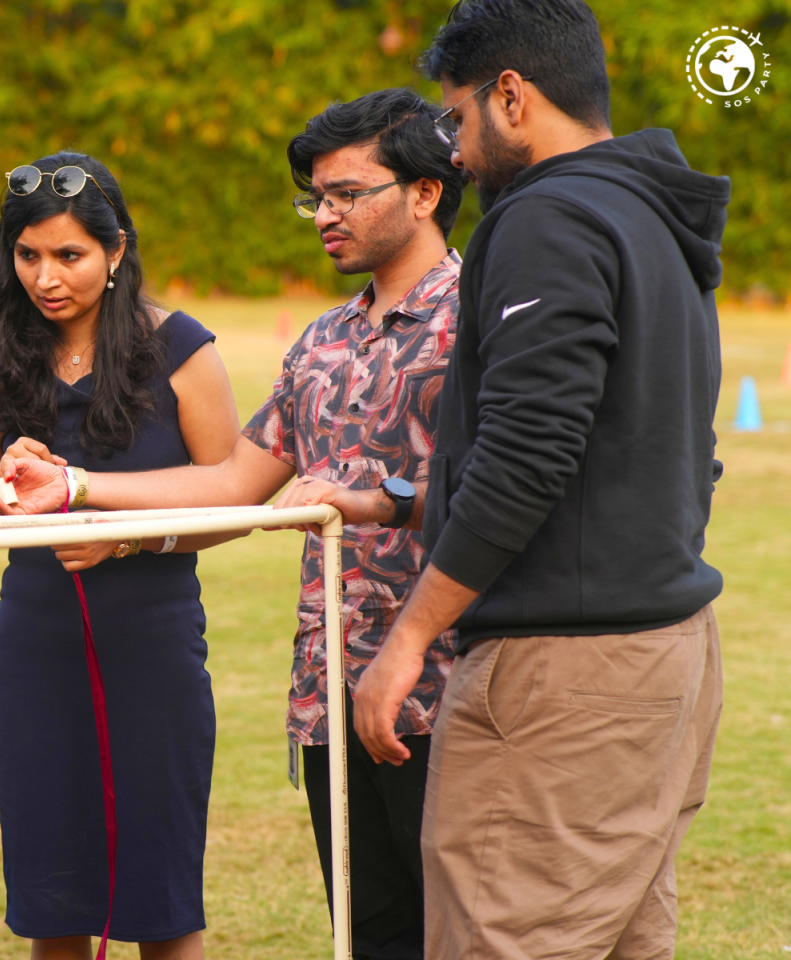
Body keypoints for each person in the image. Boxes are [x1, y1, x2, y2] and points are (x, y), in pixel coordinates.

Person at [0, 92, 468, 958]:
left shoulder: (484, 319)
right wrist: (75, 485)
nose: (325, 215)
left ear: (426, 192)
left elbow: (517, 479)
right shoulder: (321, 343)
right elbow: (237, 481)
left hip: (460, 684)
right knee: (372, 936)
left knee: (475, 932)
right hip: (334, 688)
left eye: (347, 194)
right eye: (316, 198)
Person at [346, 2, 729, 958]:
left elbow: (530, 451)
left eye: (455, 118)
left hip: (565, 674)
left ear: (510, 95)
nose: (454, 149)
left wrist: (408, 640)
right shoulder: (651, 212)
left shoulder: (547, 218)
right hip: (667, 651)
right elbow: (662, 445)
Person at [0, 151, 242, 960]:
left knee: (161, 898)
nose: (46, 278)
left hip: (152, 645)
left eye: (70, 255)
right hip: (35, 650)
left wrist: (129, 536)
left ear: (116, 251)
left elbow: (237, 503)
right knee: (53, 897)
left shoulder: (181, 349)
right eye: (27, 255)